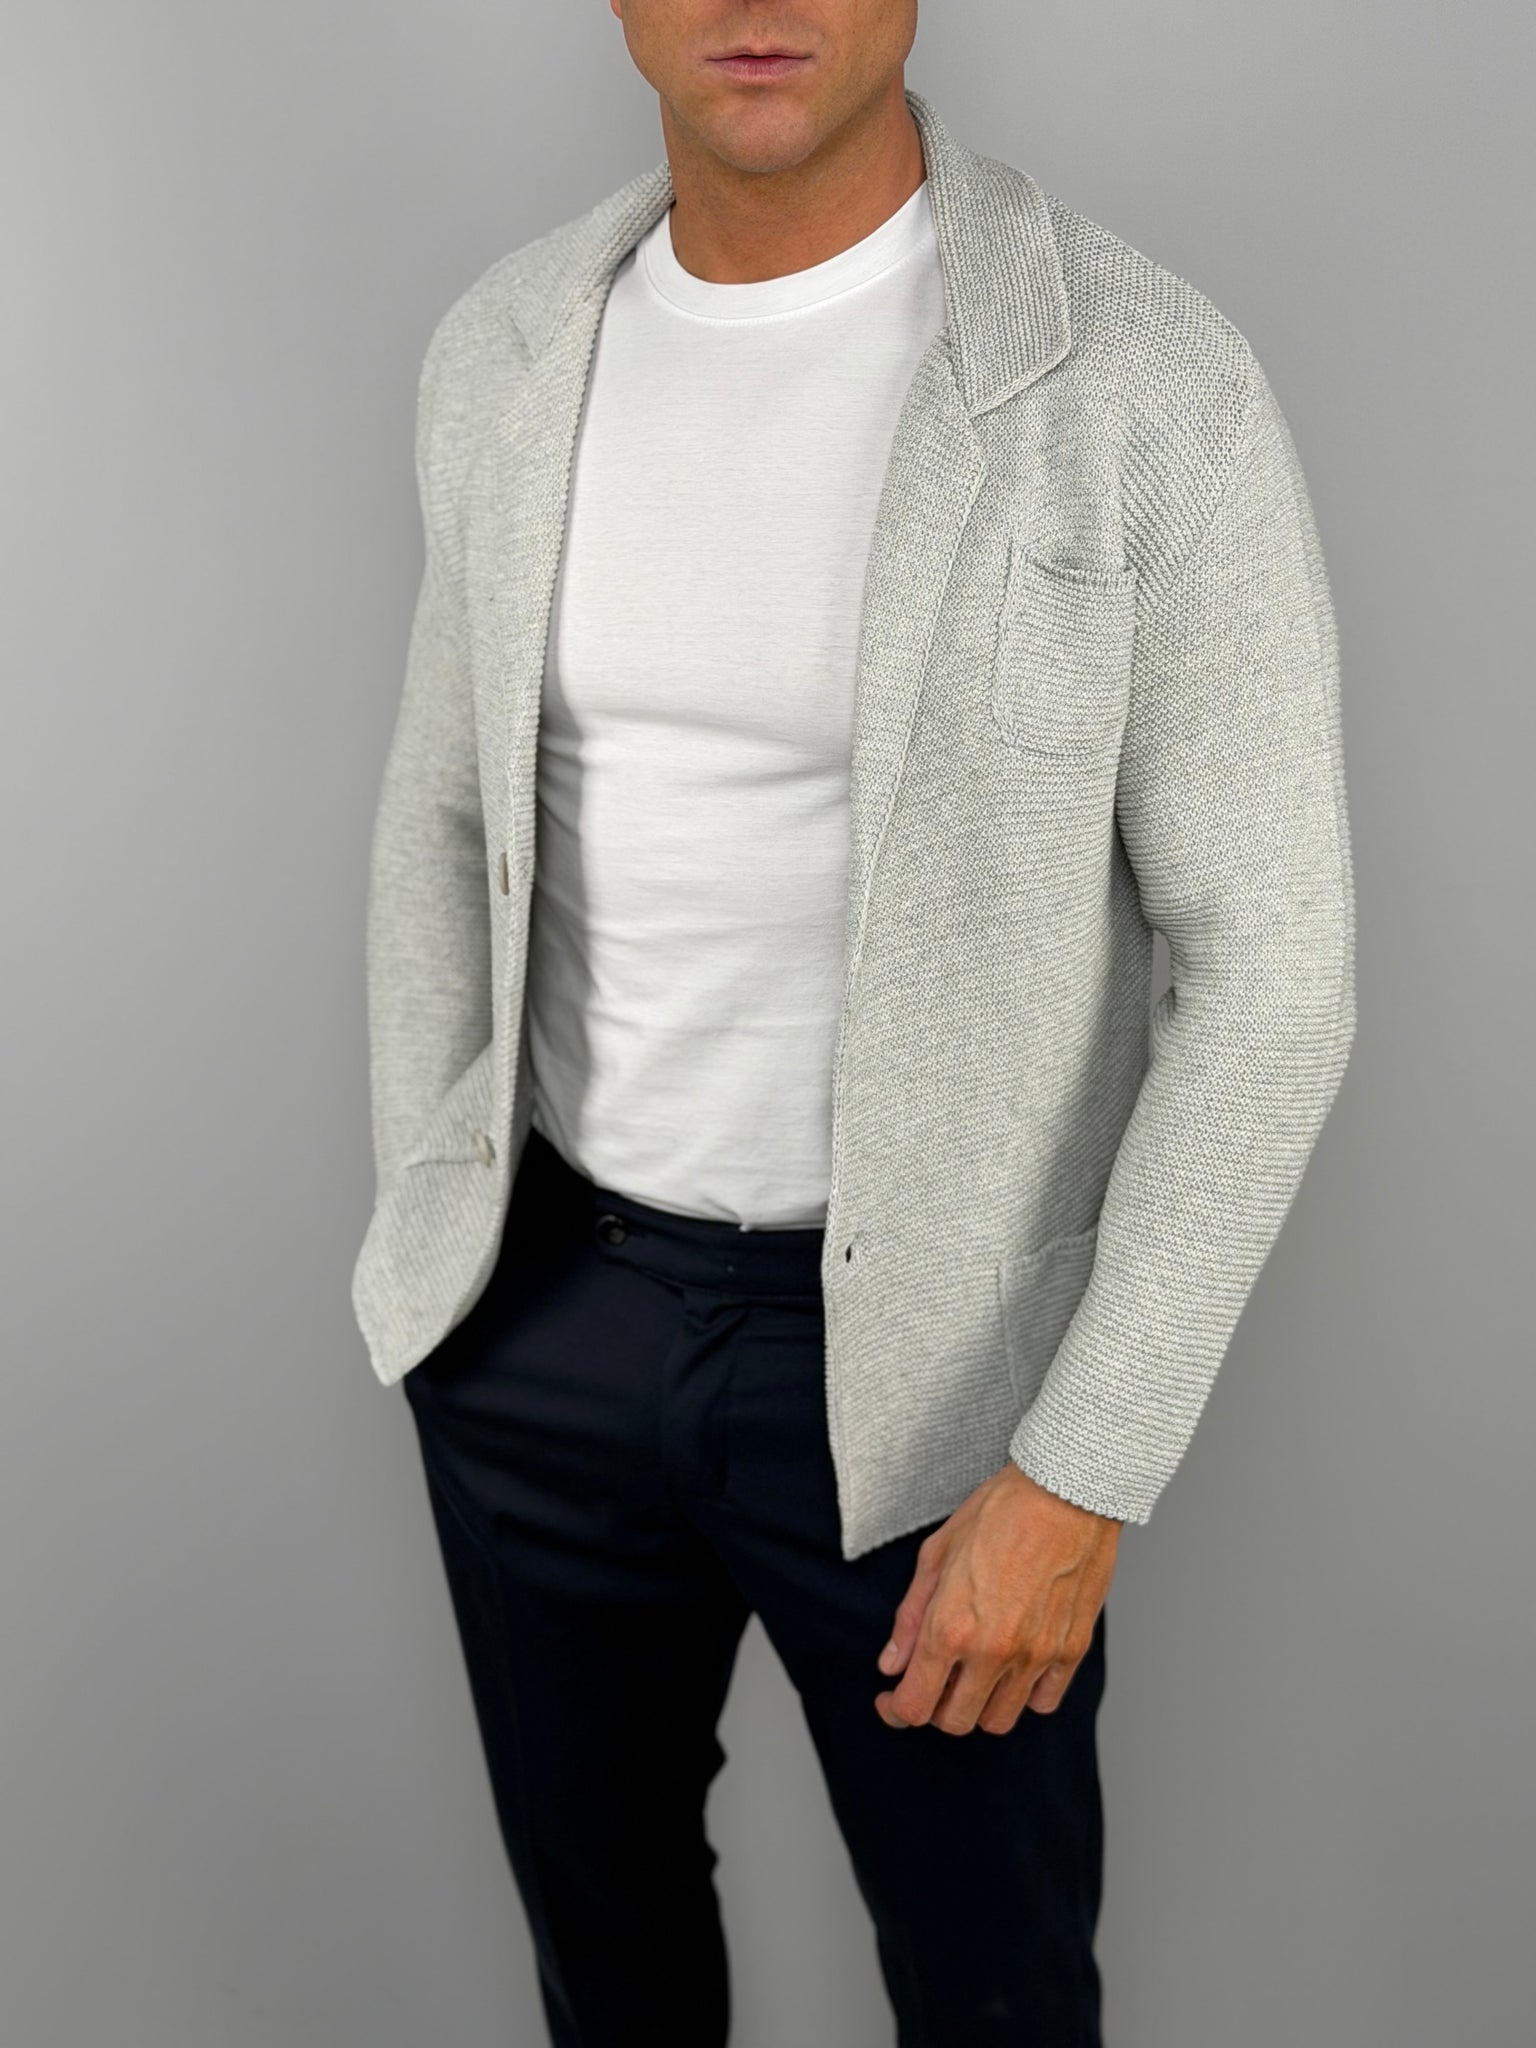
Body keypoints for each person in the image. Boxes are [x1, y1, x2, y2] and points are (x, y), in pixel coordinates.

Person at [349, 4, 1357, 2041]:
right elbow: (449, 816)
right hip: (551, 1318)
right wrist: (447, 1262)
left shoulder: (1141, 380)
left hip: (934, 1384)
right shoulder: (507, 346)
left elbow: (1277, 968)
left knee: (996, 2004)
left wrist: (1077, 1471)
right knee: (611, 1981)